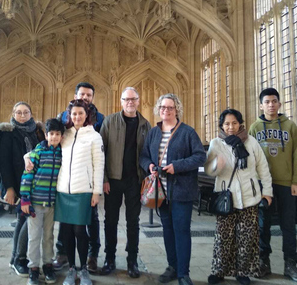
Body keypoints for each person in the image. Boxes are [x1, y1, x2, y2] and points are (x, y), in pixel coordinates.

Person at [139, 93, 206, 285]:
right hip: (161, 190)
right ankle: (172, 267)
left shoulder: (187, 132)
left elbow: (200, 156)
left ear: (177, 110)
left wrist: (178, 166)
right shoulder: (153, 132)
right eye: (162, 107)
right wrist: (150, 166)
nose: (165, 111)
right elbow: (143, 156)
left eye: (169, 107)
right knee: (167, 230)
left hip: (181, 190)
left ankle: (184, 273)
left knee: (182, 230)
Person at [206, 109, 273, 285]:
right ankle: (219, 270)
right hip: (226, 197)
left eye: (234, 123)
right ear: (221, 125)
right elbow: (208, 170)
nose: (230, 127)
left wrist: (267, 192)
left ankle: (242, 272)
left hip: (249, 196)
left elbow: (263, 168)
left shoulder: (251, 142)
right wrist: (216, 165)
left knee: (247, 237)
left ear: (240, 124)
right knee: (223, 236)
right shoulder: (216, 143)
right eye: (227, 124)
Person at [248, 88, 297, 284]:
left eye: (274, 101)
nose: (271, 104)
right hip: (264, 186)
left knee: (288, 225)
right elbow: (251, 158)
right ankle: (263, 261)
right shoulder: (255, 128)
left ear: (279, 104)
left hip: (286, 184)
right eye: (267, 101)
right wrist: (255, 184)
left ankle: (290, 263)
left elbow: (296, 155)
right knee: (263, 225)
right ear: (261, 105)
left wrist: (296, 181)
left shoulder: (290, 126)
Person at [99, 87, 151, 278]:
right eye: (126, 99)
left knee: (133, 222)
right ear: (121, 101)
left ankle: (132, 261)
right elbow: (101, 151)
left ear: (138, 101)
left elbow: (148, 153)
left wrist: (145, 179)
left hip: (134, 180)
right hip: (112, 180)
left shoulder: (145, 124)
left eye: (133, 99)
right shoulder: (110, 121)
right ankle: (109, 259)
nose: (130, 102)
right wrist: (104, 179)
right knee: (110, 221)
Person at [55, 82, 103, 273]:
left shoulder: (98, 125)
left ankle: (89, 258)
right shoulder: (64, 131)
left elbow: (99, 162)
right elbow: (48, 145)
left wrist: (97, 190)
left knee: (84, 227)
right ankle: (64, 256)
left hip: (85, 188)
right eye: (82, 94)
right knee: (65, 229)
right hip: (64, 189)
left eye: (88, 95)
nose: (85, 97)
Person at [0, 102, 45, 277]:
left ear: (31, 114)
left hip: (37, 183)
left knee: (23, 220)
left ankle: (15, 258)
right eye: (18, 112)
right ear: (13, 113)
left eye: (26, 112)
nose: (22, 115)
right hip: (19, 183)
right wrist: (9, 187)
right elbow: (4, 163)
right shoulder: (8, 134)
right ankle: (19, 259)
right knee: (25, 219)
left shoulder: (38, 132)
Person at [21, 118, 65, 285]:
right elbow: (27, 175)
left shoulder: (63, 153)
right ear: (46, 135)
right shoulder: (37, 153)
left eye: (57, 134)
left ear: (61, 136)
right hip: (36, 202)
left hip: (52, 203)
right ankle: (33, 268)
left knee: (48, 236)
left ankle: (47, 265)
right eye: (51, 134)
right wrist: (25, 199)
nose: (54, 137)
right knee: (34, 237)